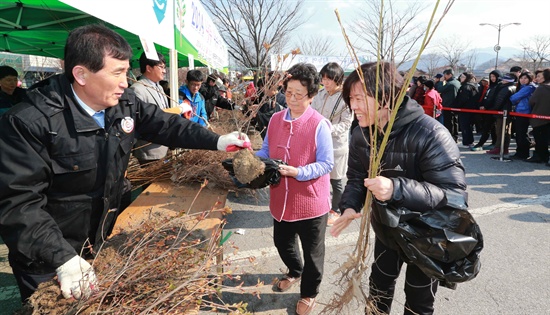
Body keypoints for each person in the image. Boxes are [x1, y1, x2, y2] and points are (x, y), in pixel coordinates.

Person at [0, 24, 249, 303]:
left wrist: (217, 141)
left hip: (100, 239)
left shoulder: (123, 103)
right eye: (117, 72)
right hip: (47, 256)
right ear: (81, 74)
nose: (125, 82)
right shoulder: (28, 122)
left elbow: (168, 126)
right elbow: (18, 203)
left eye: (126, 72)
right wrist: (62, 258)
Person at [330, 62, 467, 315]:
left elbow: (454, 195)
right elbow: (357, 177)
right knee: (379, 288)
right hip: (387, 228)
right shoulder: (363, 133)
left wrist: (396, 188)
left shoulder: (431, 134)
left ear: (386, 98)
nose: (353, 106)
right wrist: (349, 206)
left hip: (427, 234)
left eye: (360, 98)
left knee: (419, 299)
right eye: (351, 99)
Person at [256, 63, 333, 315]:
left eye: (299, 94)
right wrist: (248, 155)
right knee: (282, 242)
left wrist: (299, 172)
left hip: (311, 202)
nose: (292, 99)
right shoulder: (276, 119)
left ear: (312, 96)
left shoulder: (319, 124)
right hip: (281, 199)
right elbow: (266, 151)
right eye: (288, 92)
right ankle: (295, 271)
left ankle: (309, 293)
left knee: (313, 254)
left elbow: (326, 163)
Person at [311, 62, 353, 226]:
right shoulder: (320, 95)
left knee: (336, 181)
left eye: (329, 79)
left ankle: (335, 209)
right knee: (319, 177)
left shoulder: (345, 99)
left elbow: (346, 124)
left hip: (335, 145)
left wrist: (326, 129)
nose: (325, 82)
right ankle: (321, 205)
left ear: (338, 79)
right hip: (318, 144)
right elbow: (312, 114)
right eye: (323, 78)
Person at [131, 52, 171, 164]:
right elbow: (141, 122)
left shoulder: (160, 88)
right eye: (161, 67)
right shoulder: (137, 89)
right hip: (149, 150)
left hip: (163, 146)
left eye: (164, 67)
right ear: (148, 68)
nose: (164, 71)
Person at [486, 73, 517, 155]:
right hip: (509, 111)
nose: (502, 80)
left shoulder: (505, 88)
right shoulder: (514, 87)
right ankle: (505, 148)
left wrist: (494, 109)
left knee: (500, 131)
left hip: (502, 112)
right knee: (507, 131)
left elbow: (500, 100)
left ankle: (498, 148)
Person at [471, 70, 502, 151]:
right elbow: (486, 96)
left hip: (493, 110)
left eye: (494, 76)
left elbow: (494, 99)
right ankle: (494, 142)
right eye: (491, 76)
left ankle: (480, 144)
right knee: (491, 128)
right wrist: (481, 105)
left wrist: (486, 106)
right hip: (487, 110)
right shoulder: (491, 86)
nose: (492, 78)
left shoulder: (499, 86)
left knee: (487, 127)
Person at [509, 72, 536, 160]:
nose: (523, 80)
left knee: (521, 134)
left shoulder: (529, 87)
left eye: (525, 78)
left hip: (524, 111)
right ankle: (521, 151)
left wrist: (516, 99)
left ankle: (523, 153)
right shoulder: (523, 87)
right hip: (521, 111)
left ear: (530, 79)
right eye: (521, 78)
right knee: (520, 133)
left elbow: (513, 98)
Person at [527, 68, 550, 165]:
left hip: (539, 117)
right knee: (545, 139)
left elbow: (531, 101)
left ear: (545, 77)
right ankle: (545, 157)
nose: (537, 78)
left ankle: (539, 156)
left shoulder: (541, 88)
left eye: (539, 76)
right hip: (547, 118)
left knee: (539, 139)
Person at [453, 72, 479, 148]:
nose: (461, 78)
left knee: (465, 126)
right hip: (472, 109)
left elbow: (463, 99)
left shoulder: (465, 87)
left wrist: (457, 106)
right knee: (469, 127)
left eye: (463, 77)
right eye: (461, 77)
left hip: (465, 109)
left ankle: (466, 142)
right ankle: (470, 141)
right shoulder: (474, 86)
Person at [439, 69, 461, 142]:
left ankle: (450, 137)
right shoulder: (457, 82)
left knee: (449, 122)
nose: (444, 76)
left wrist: (441, 82)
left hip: (448, 105)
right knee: (455, 122)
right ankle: (455, 136)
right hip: (455, 105)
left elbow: (440, 89)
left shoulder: (450, 84)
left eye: (445, 75)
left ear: (450, 75)